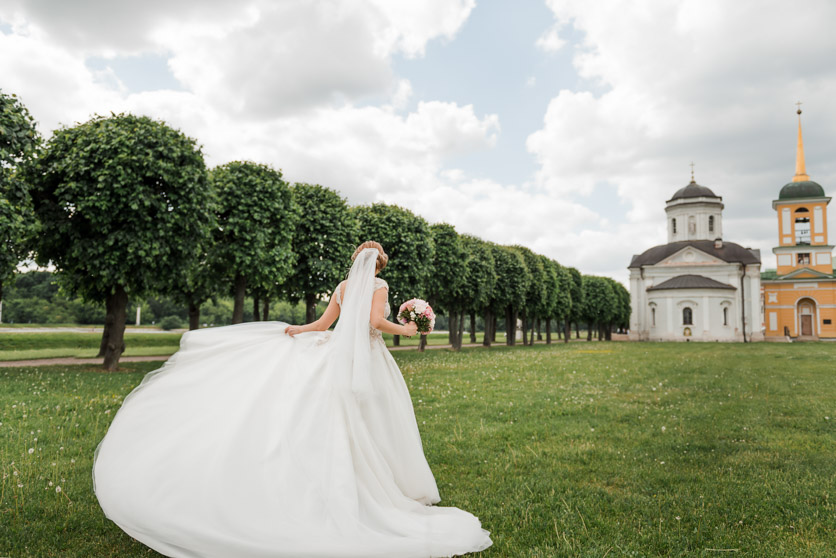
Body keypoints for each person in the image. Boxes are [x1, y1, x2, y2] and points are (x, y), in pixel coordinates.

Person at [93, 241, 492, 558]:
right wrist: (405, 330)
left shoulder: (342, 287)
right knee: (374, 415)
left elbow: (323, 325)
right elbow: (373, 323)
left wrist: (297, 330)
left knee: (345, 413)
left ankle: (353, 474)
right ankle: (377, 483)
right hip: (367, 357)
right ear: (379, 264)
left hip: (340, 352)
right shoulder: (379, 287)